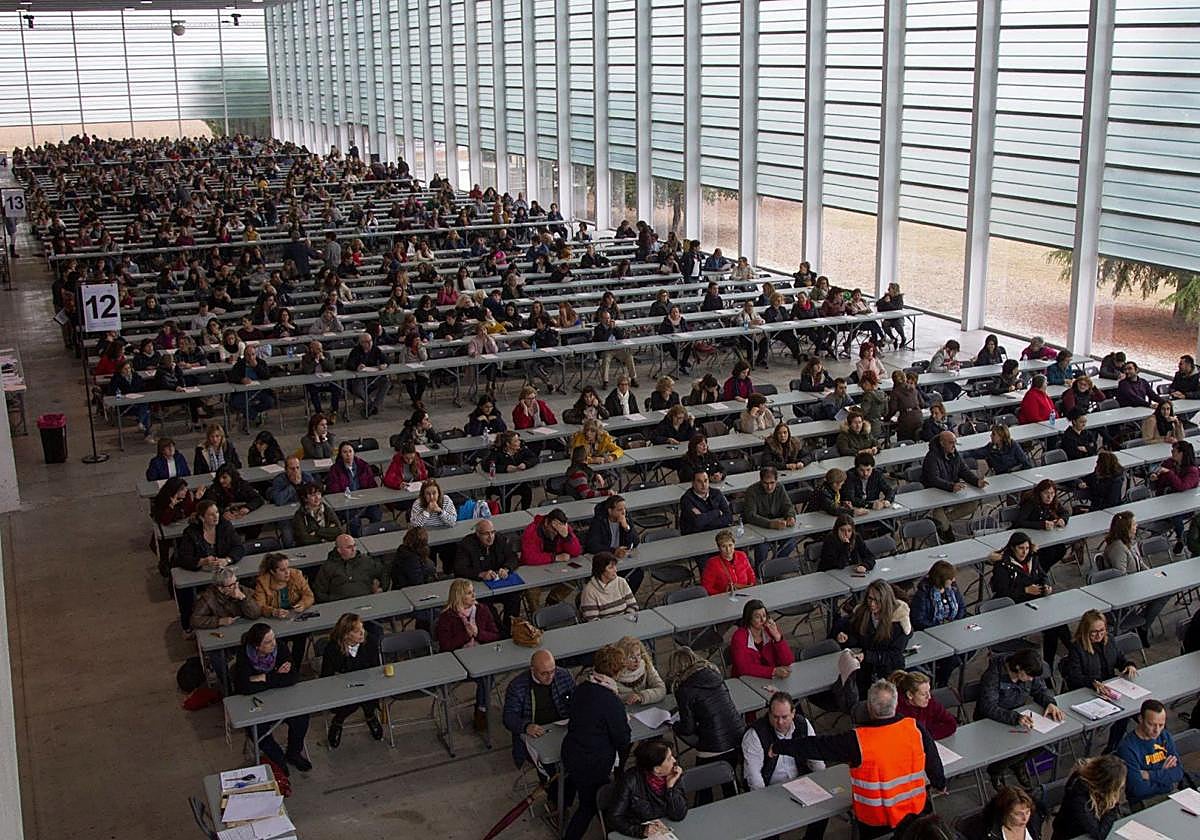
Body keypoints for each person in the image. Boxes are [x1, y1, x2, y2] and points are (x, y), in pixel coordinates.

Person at [769, 679, 945, 839]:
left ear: (869, 707)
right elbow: (934, 762)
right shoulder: (915, 728)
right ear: (896, 704)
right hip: (916, 814)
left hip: (876, 822)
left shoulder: (857, 740)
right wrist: (940, 783)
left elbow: (817, 746)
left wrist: (780, 746)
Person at [561, 644, 632, 840]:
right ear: (617, 671)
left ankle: (558, 799)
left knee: (577, 784)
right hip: (593, 762)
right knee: (589, 805)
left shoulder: (582, 688)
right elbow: (623, 738)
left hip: (572, 752)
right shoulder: (611, 701)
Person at [975, 648, 1065, 790]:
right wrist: (1015, 717)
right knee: (1021, 748)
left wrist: (1050, 703)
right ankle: (996, 770)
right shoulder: (993, 675)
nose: (1030, 679)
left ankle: (1017, 763)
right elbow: (988, 707)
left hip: (1019, 718)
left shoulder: (1029, 673)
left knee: (1043, 743)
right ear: (1018, 668)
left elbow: (1040, 690)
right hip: (993, 720)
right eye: (1029, 676)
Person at [742, 692, 829, 837]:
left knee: (824, 810)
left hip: (799, 782)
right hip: (769, 787)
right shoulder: (755, 734)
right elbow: (755, 778)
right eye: (775, 717)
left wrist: (820, 786)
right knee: (769, 825)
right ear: (768, 714)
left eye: (784, 717)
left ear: (793, 713)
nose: (780, 722)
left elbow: (817, 760)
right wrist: (766, 807)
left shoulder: (803, 724)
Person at [668, 647, 743, 804]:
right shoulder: (715, 675)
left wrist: (675, 725)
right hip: (737, 735)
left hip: (714, 745)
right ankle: (734, 805)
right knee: (729, 779)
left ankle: (702, 807)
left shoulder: (684, 690)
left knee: (703, 785)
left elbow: (687, 728)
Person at [233, 623, 311, 774]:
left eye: (274, 639)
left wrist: (263, 678)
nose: (273, 644)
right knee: (256, 729)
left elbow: (293, 677)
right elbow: (244, 687)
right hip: (255, 703)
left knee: (301, 717)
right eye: (268, 642)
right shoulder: (243, 654)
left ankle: (293, 753)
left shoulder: (280, 648)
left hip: (282, 698)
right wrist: (277, 676)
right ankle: (278, 758)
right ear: (257, 646)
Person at [1063, 610, 1138, 753]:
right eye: (1094, 632)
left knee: (1133, 710)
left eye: (1102, 630)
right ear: (1085, 631)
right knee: (1124, 714)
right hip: (1089, 691)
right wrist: (1092, 682)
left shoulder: (1109, 640)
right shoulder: (1077, 648)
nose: (1099, 635)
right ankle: (1112, 748)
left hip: (1111, 687)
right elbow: (1074, 677)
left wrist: (1129, 665)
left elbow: (1120, 659)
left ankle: (1115, 747)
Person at [990, 530, 1069, 665]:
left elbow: (1043, 575)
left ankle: (1049, 663)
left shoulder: (1033, 559)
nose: (1024, 552)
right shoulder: (1002, 565)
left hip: (1034, 603)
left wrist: (1046, 585)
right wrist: (1025, 590)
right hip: (1014, 607)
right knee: (1052, 627)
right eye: (1021, 548)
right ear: (1013, 548)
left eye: (1027, 548)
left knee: (1057, 625)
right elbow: (1001, 591)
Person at [436, 579, 500, 732]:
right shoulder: (447, 617)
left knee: (487, 676)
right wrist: (466, 635)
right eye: (469, 593)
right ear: (459, 596)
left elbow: (495, 635)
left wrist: (479, 634)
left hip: (481, 657)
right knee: (486, 679)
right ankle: (482, 711)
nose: (474, 595)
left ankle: (481, 709)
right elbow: (446, 647)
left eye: (473, 592)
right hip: (457, 662)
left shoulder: (483, 610)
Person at [502, 649, 573, 786]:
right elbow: (509, 717)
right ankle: (555, 797)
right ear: (532, 669)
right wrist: (526, 726)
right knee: (551, 768)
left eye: (552, 671)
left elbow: (575, 701)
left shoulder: (564, 675)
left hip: (562, 728)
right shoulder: (517, 687)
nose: (550, 677)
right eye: (544, 673)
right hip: (537, 734)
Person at [834, 579, 912, 695]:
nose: (872, 604)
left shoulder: (899, 622)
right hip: (865, 670)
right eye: (870, 599)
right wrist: (845, 638)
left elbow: (894, 654)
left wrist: (868, 656)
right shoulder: (862, 613)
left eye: (877, 600)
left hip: (889, 671)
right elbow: (856, 637)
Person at [1100, 512, 1168, 644]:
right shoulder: (1118, 548)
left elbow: (1140, 564)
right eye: (1134, 524)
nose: (1137, 526)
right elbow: (1121, 576)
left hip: (1138, 582)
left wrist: (1152, 575)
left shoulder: (1129, 543)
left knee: (1167, 588)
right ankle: (1143, 627)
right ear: (1126, 528)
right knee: (1163, 595)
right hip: (1126, 590)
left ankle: (1141, 624)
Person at [321, 613, 384, 746]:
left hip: (367, 683)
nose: (362, 633)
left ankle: (370, 715)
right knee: (351, 702)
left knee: (367, 696)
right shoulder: (333, 649)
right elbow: (326, 676)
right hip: (342, 686)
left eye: (362, 628)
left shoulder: (370, 642)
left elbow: (375, 667)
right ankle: (338, 721)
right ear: (346, 634)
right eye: (357, 631)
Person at [1116, 699, 1185, 810]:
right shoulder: (1127, 748)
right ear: (1140, 719)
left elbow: (1178, 773)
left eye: (1161, 725)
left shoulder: (1165, 736)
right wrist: (1165, 775)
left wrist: (1149, 775)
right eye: (1151, 724)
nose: (1157, 730)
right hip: (1143, 802)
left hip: (1170, 793)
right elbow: (1138, 789)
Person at [920, 431, 987, 543]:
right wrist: (951, 486)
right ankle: (946, 531)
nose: (954, 446)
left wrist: (977, 482)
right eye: (951, 443)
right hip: (936, 494)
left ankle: (942, 522)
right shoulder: (931, 457)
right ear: (942, 443)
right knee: (938, 512)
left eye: (955, 443)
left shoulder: (955, 454)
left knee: (973, 503)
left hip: (953, 491)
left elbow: (964, 471)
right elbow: (933, 479)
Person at [909, 561, 967, 687]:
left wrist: (954, 623)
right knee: (953, 659)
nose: (954, 579)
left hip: (952, 631)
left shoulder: (953, 588)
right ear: (941, 579)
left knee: (969, 648)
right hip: (931, 635)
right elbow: (918, 620)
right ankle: (941, 681)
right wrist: (939, 629)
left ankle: (942, 671)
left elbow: (962, 607)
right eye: (950, 578)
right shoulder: (923, 595)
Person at [1052, 755, 1125, 840]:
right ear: (1107, 785)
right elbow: (1099, 834)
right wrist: (1113, 805)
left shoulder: (1097, 792)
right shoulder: (1079, 795)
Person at [325, 441, 383, 536]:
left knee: (377, 513)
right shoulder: (335, 469)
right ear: (340, 454)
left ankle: (373, 536)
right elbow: (333, 489)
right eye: (345, 452)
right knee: (354, 521)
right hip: (347, 504)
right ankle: (357, 540)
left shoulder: (363, 466)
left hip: (364, 501)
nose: (348, 454)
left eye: (350, 451)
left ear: (354, 452)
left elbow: (372, 485)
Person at [312, 534, 390, 602]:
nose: (353, 550)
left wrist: (382, 588)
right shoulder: (328, 567)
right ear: (339, 550)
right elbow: (319, 592)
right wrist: (332, 602)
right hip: (340, 604)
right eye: (349, 547)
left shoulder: (366, 561)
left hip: (367, 600)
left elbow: (383, 572)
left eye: (354, 546)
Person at [730, 599, 794, 679]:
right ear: (749, 619)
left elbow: (788, 661)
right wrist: (773, 671)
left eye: (764, 616)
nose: (762, 620)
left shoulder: (770, 630)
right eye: (757, 617)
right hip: (747, 680)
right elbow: (743, 668)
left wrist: (778, 638)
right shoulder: (739, 637)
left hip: (771, 680)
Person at [1015, 479, 1071, 569]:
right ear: (1040, 493)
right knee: (1048, 553)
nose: (1049, 497)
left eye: (1052, 493)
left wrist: (1063, 520)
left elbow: (1065, 512)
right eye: (1046, 493)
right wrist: (1042, 524)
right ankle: (1038, 573)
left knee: (1061, 549)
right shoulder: (1031, 502)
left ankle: (1041, 571)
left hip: (1045, 536)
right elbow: (1020, 522)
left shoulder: (1053, 501)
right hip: (1029, 536)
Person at [1153, 440, 1199, 551]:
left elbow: (1182, 486)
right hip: (1166, 500)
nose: (1172, 452)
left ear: (1181, 453)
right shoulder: (1170, 463)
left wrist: (1169, 473)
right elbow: (1159, 472)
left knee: (1176, 516)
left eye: (1174, 451)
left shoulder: (1192, 471)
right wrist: (1155, 475)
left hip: (1185, 505)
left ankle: (1180, 539)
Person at [955, 786, 1045, 840]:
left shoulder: (1034, 820)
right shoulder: (986, 832)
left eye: (1027, 812)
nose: (1025, 818)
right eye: (1018, 814)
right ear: (1006, 812)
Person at [889, 670, 956, 740]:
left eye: (929, 691)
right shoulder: (896, 710)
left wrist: (926, 735)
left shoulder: (930, 702)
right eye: (923, 694)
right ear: (910, 695)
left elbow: (951, 724)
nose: (929, 697)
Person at [253, 552, 315, 622]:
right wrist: (273, 612)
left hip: (296, 615)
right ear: (272, 572)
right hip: (275, 620)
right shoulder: (262, 583)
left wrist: (303, 604)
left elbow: (309, 595)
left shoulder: (296, 575)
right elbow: (260, 606)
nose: (287, 572)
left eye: (288, 568)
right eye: (282, 570)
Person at [579, 551, 638, 621]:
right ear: (601, 570)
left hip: (624, 623)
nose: (615, 570)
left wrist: (625, 620)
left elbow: (633, 605)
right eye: (610, 568)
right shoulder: (589, 591)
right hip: (603, 628)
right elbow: (592, 620)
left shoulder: (621, 582)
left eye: (615, 566)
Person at [228, 344, 275, 426]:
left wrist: (256, 366)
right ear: (244, 355)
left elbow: (267, 376)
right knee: (235, 403)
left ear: (255, 354)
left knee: (270, 402)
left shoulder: (261, 362)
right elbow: (231, 377)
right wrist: (241, 380)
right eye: (248, 355)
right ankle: (255, 415)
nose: (251, 357)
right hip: (244, 391)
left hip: (260, 390)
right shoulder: (240, 364)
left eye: (253, 354)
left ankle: (249, 414)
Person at [345, 332, 391, 416]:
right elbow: (349, 364)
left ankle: (376, 405)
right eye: (366, 342)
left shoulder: (375, 349)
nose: (369, 343)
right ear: (361, 343)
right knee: (357, 389)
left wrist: (385, 364)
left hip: (373, 377)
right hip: (359, 379)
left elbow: (386, 359)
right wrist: (357, 367)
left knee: (386, 382)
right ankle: (370, 405)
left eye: (370, 341)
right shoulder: (356, 351)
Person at [700, 528, 756, 595]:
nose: (728, 549)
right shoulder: (712, 563)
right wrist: (722, 595)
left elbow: (750, 573)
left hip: (746, 592)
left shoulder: (742, 555)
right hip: (724, 597)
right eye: (724, 546)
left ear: (734, 544)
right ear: (719, 548)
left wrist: (751, 586)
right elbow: (707, 587)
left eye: (730, 545)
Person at [678, 470, 733, 535]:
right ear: (693, 483)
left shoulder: (717, 493)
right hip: (696, 536)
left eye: (705, 480)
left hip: (718, 533)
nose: (703, 484)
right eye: (699, 481)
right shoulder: (686, 499)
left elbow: (729, 517)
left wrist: (705, 519)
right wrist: (717, 512)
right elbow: (697, 522)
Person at [593, 310, 638, 388]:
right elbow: (603, 339)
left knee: (629, 356)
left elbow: (621, 337)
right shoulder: (598, 328)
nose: (607, 320)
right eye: (605, 318)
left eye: (608, 318)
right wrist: (610, 329)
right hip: (606, 350)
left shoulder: (614, 326)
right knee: (606, 359)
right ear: (601, 319)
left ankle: (633, 378)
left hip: (617, 349)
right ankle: (605, 381)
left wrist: (615, 328)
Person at [299, 341, 340, 417]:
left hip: (327, 381)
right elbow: (307, 371)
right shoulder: (306, 357)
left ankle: (334, 410)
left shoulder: (327, 355)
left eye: (321, 348)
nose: (320, 351)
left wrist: (323, 360)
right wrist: (316, 361)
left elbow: (332, 368)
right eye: (318, 349)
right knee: (313, 392)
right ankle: (319, 412)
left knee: (337, 388)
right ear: (311, 349)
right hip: (314, 383)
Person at [887, 370, 926, 443]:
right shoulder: (913, 389)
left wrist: (887, 418)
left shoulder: (895, 392)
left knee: (903, 440)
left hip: (906, 421)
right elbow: (922, 404)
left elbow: (893, 409)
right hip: (918, 417)